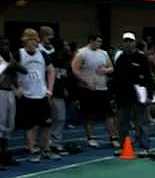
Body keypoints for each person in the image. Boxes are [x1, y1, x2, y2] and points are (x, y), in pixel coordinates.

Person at [14, 28, 61, 163]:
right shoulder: (19, 54)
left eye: (36, 40)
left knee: (46, 124)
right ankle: (32, 150)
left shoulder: (43, 55)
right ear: (26, 40)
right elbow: (7, 71)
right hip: (27, 95)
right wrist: (15, 89)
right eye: (33, 40)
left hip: (41, 95)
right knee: (30, 126)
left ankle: (46, 149)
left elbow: (51, 71)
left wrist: (50, 89)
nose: (36, 42)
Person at [71, 32, 119, 150]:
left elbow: (111, 67)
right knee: (89, 115)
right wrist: (86, 82)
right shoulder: (82, 53)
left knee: (109, 114)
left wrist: (105, 70)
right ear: (91, 41)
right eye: (98, 41)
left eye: (100, 41)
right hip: (88, 89)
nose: (100, 43)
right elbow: (75, 69)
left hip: (102, 88)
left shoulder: (103, 53)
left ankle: (113, 137)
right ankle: (91, 137)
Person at [112, 31, 154, 157]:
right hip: (123, 96)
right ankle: (123, 146)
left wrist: (150, 95)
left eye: (130, 41)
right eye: (126, 41)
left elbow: (148, 77)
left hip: (139, 94)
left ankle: (144, 146)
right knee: (123, 123)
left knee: (141, 122)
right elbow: (116, 79)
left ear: (135, 42)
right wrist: (114, 96)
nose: (128, 43)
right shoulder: (120, 59)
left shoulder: (141, 58)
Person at [0, 36, 23, 169]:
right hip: (0, 91)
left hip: (9, 92)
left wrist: (14, 63)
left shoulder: (9, 57)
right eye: (2, 44)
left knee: (9, 125)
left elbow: (23, 70)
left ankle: (5, 153)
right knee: (0, 125)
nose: (5, 46)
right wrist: (8, 65)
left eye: (7, 44)